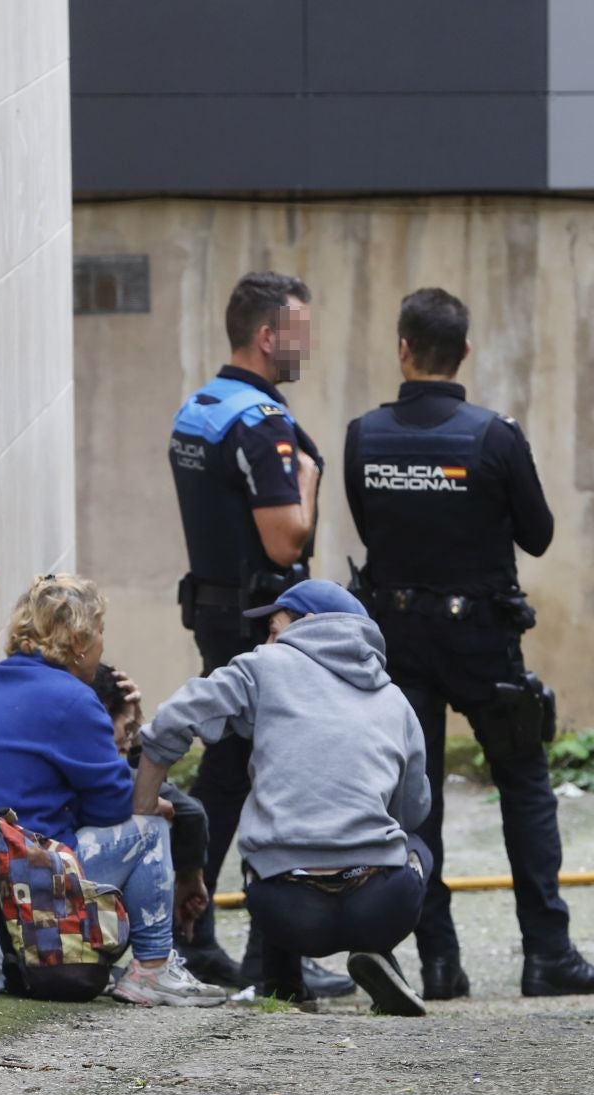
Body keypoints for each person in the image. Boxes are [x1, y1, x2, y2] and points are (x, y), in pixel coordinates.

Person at [342, 287, 594, 1001]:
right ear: (465, 351)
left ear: (402, 348)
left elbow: (372, 530)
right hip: (483, 643)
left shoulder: (363, 437)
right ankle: (547, 954)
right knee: (523, 784)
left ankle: (438, 961)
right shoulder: (494, 437)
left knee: (415, 799)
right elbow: (540, 534)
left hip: (399, 641)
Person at [166, 270, 353, 999]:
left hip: (216, 612)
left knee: (229, 770)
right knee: (271, 777)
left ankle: (194, 935)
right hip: (257, 625)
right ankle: (271, 956)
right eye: (300, 330)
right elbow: (285, 541)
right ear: (269, 336)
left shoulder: (201, 408)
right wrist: (306, 474)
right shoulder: (261, 424)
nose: (307, 344)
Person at [135, 580, 433, 1016]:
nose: (269, 642)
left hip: (288, 909)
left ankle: (283, 981)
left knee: (269, 846)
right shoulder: (394, 699)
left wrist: (142, 807)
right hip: (379, 904)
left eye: (275, 629)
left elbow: (174, 718)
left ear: (312, 625)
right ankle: (376, 951)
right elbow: (413, 809)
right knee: (417, 848)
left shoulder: (263, 666)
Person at [0, 575, 224, 1008]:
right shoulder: (71, 698)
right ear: (81, 640)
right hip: (15, 881)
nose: (104, 643)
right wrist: (154, 799)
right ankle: (154, 970)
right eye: (100, 631)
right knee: (148, 826)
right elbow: (117, 807)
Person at [90, 662, 211, 928]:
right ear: (99, 718)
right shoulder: (91, 764)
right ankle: (153, 960)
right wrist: (190, 880)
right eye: (126, 729)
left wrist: (135, 728)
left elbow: (150, 788)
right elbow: (184, 810)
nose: (125, 744)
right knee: (153, 823)